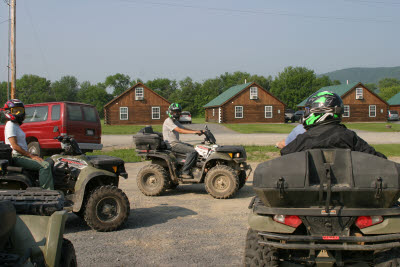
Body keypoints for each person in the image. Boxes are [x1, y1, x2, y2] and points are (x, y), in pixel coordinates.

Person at [280, 91, 386, 159]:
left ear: (318, 111)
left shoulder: (304, 139)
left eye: (307, 110)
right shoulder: (350, 137)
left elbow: (284, 158)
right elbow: (380, 160)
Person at [3, 99, 54, 189]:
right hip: (17, 156)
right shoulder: (10, 125)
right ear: (8, 112)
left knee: (49, 160)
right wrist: (31, 156)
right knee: (45, 166)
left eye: (21, 110)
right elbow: (14, 146)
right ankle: (47, 192)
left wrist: (31, 155)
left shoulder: (15, 125)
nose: (19, 113)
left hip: (22, 155)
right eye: (15, 111)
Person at [163, 103, 203, 179]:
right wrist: (195, 132)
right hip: (172, 145)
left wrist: (197, 131)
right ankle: (184, 172)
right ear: (171, 112)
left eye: (178, 112)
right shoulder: (168, 121)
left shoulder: (175, 121)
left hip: (177, 143)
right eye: (175, 112)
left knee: (196, 148)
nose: (177, 114)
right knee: (192, 151)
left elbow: (184, 128)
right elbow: (180, 130)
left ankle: (194, 168)